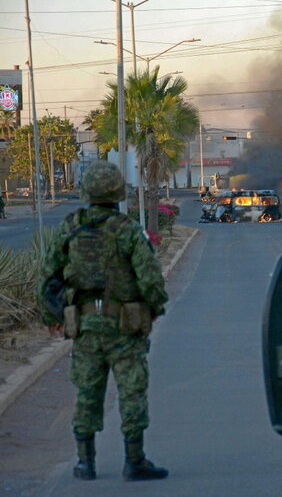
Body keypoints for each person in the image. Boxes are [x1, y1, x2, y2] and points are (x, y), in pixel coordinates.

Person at [36, 161, 169, 482]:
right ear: (117, 193)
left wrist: (51, 317)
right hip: (125, 328)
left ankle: (85, 463)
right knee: (132, 391)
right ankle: (134, 461)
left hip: (85, 328)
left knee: (87, 392)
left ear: (86, 193)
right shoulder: (127, 230)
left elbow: (47, 277)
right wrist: (153, 308)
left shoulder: (70, 227)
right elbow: (150, 277)